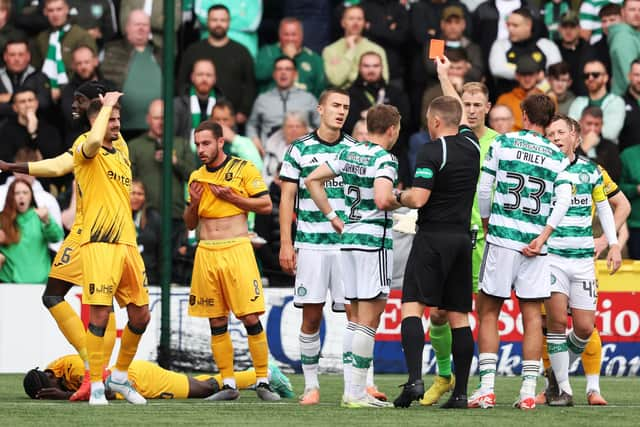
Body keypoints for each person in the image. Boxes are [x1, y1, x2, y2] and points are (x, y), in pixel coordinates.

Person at [0, 80, 118, 401]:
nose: (73, 104)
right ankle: (95, 365)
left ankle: (99, 368)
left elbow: (66, 161)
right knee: (55, 296)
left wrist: (16, 166)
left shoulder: (105, 141)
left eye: (79, 99)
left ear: (95, 101)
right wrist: (17, 167)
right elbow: (61, 163)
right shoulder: (93, 140)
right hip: (85, 233)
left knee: (110, 308)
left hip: (101, 236)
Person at [472, 93, 571, 410]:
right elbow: (565, 201)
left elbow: (484, 188)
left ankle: (487, 388)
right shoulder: (557, 156)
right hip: (534, 245)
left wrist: (487, 222)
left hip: (502, 237)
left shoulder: (503, 142)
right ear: (550, 119)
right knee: (531, 316)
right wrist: (544, 236)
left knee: (488, 310)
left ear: (524, 114)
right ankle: (528, 392)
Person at [392, 55, 480, 409]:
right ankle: (460, 393)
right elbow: (457, 109)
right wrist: (444, 76)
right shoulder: (472, 144)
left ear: (436, 121)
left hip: (432, 238)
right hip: (462, 239)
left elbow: (419, 198)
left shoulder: (432, 150)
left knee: (411, 308)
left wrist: (395, 196)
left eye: (430, 121)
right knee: (459, 316)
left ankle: (414, 379)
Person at [305, 104, 402, 408]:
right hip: (373, 241)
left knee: (356, 317)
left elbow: (311, 180)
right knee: (368, 319)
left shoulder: (349, 153)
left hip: (348, 240)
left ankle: (352, 391)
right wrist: (407, 201)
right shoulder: (385, 158)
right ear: (392, 130)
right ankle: (357, 392)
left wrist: (332, 215)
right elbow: (384, 198)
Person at [183, 120, 279, 402]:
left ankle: (263, 380)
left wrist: (236, 198)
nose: (201, 149)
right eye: (198, 144)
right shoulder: (196, 177)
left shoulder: (244, 169)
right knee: (216, 320)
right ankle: (228, 384)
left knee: (249, 316)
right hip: (206, 251)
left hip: (236, 248)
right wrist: (193, 203)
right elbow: (190, 224)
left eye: (206, 143)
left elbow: (265, 205)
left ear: (220, 142)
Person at [420, 81, 499, 406]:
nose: (472, 109)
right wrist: (443, 76)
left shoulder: (499, 143)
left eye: (478, 104)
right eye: (466, 103)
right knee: (438, 313)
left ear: (488, 107)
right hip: (452, 236)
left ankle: (483, 382)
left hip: (487, 239)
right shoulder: (448, 142)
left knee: (482, 313)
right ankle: (443, 375)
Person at [279, 88, 357, 405]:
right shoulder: (298, 149)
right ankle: (311, 386)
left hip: (346, 246)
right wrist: (286, 243)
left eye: (346, 107)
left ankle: (360, 384)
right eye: (335, 105)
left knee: (356, 315)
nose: (341, 111)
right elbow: (286, 198)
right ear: (320, 108)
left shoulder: (354, 149)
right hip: (310, 244)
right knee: (311, 316)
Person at [73, 93, 150, 405]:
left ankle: (119, 375)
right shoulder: (84, 149)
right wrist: (103, 108)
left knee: (141, 316)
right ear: (98, 121)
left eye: (119, 118)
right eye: (112, 119)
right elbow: (92, 142)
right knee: (100, 315)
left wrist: (107, 106)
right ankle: (95, 385)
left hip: (127, 243)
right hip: (100, 242)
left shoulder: (121, 150)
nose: (118, 124)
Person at [542, 114, 622, 406]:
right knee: (556, 322)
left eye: (561, 132)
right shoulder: (543, 171)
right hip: (552, 257)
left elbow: (604, 208)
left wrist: (612, 244)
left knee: (585, 328)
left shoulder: (591, 171)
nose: (556, 138)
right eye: (550, 134)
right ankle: (564, 389)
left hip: (583, 260)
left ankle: (554, 376)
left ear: (575, 135)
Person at [23, 354, 294, 400]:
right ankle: (251, 377)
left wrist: (66, 395)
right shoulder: (52, 373)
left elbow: (104, 389)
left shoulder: (69, 368)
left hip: (141, 380)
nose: (52, 390)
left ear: (50, 375)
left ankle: (267, 373)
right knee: (201, 381)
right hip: (136, 377)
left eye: (50, 387)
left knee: (203, 389)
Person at [177, 4, 255, 126]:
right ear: (207, 22)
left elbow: (250, 85)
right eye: (214, 20)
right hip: (193, 118)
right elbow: (181, 81)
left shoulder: (242, 52)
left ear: (229, 22)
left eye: (222, 20)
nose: (218, 24)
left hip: (231, 120)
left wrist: (243, 112)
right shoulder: (193, 51)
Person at [101, 9, 162, 140]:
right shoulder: (112, 51)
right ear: (127, 27)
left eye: (145, 25)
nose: (141, 28)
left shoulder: (160, 53)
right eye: (137, 24)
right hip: (121, 128)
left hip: (157, 128)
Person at [247, 56, 319, 156]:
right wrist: (255, 140)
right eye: (279, 69)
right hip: (269, 154)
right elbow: (251, 125)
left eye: (288, 69)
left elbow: (320, 126)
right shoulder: (262, 99)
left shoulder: (309, 99)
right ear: (274, 74)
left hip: (303, 153)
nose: (283, 73)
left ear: (295, 74)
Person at [0, 177, 63, 283]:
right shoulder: (2, 219)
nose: (21, 196)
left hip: (40, 285)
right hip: (10, 286)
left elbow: (57, 237)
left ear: (31, 196)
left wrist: (47, 221)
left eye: (25, 193)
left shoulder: (40, 216)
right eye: (17, 193)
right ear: (11, 197)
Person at [0, 88, 64, 190]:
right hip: (12, 185)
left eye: (30, 100)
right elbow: (5, 163)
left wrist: (33, 133)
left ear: (36, 103)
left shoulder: (49, 129)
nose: (27, 105)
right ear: (15, 107)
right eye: (22, 102)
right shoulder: (6, 131)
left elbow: (53, 161)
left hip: (43, 185)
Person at [32, 0, 97, 98]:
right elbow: (36, 67)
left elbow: (90, 69)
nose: (55, 14)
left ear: (67, 10)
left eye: (59, 9)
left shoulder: (81, 35)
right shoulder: (42, 38)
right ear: (45, 12)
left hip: (75, 90)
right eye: (51, 10)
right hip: (47, 91)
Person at [255, 17, 325, 98]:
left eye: (294, 34)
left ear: (301, 35)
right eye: (286, 34)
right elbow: (259, 75)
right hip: (271, 105)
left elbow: (320, 92)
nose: (290, 39)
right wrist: (286, 57)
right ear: (279, 35)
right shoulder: (267, 52)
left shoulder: (314, 59)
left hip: (304, 107)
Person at [322, 5, 389, 89]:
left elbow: (384, 81)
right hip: (342, 99)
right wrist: (351, 50)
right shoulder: (330, 50)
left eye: (359, 19)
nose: (356, 23)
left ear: (364, 23)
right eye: (351, 18)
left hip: (369, 98)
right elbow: (336, 81)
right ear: (343, 23)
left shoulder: (377, 49)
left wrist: (349, 76)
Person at [568, 59, 625, 143]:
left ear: (606, 78)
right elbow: (570, 133)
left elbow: (609, 134)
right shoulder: (578, 102)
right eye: (586, 75)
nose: (590, 78)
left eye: (595, 75)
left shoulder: (616, 102)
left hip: (606, 153)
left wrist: (583, 132)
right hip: (579, 153)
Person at [174, 58, 224, 145]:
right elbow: (172, 137)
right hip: (184, 155)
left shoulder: (223, 105)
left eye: (208, 75)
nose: (204, 79)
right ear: (192, 77)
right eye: (200, 74)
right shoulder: (178, 104)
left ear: (215, 78)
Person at [130, 180, 161, 285]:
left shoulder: (152, 217)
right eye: (132, 193)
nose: (135, 197)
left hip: (149, 275)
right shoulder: (117, 216)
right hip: (125, 273)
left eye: (140, 194)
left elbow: (160, 249)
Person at [608, 0, 640, 96]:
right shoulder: (624, 38)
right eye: (632, 10)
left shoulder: (633, 35)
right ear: (622, 12)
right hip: (628, 101)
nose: (637, 14)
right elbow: (631, 78)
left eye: (639, 10)